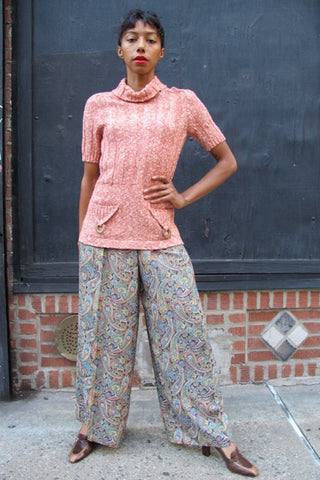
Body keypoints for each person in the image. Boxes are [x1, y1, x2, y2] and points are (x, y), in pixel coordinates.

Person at [69, 9, 259, 478]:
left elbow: (226, 160)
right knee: (102, 342)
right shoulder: (99, 105)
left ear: (161, 50)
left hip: (159, 235)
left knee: (185, 337)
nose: (140, 46)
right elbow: (89, 177)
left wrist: (183, 197)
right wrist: (83, 237)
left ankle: (214, 435)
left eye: (150, 39)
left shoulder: (183, 103)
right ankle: (93, 428)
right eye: (131, 39)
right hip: (104, 237)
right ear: (119, 49)